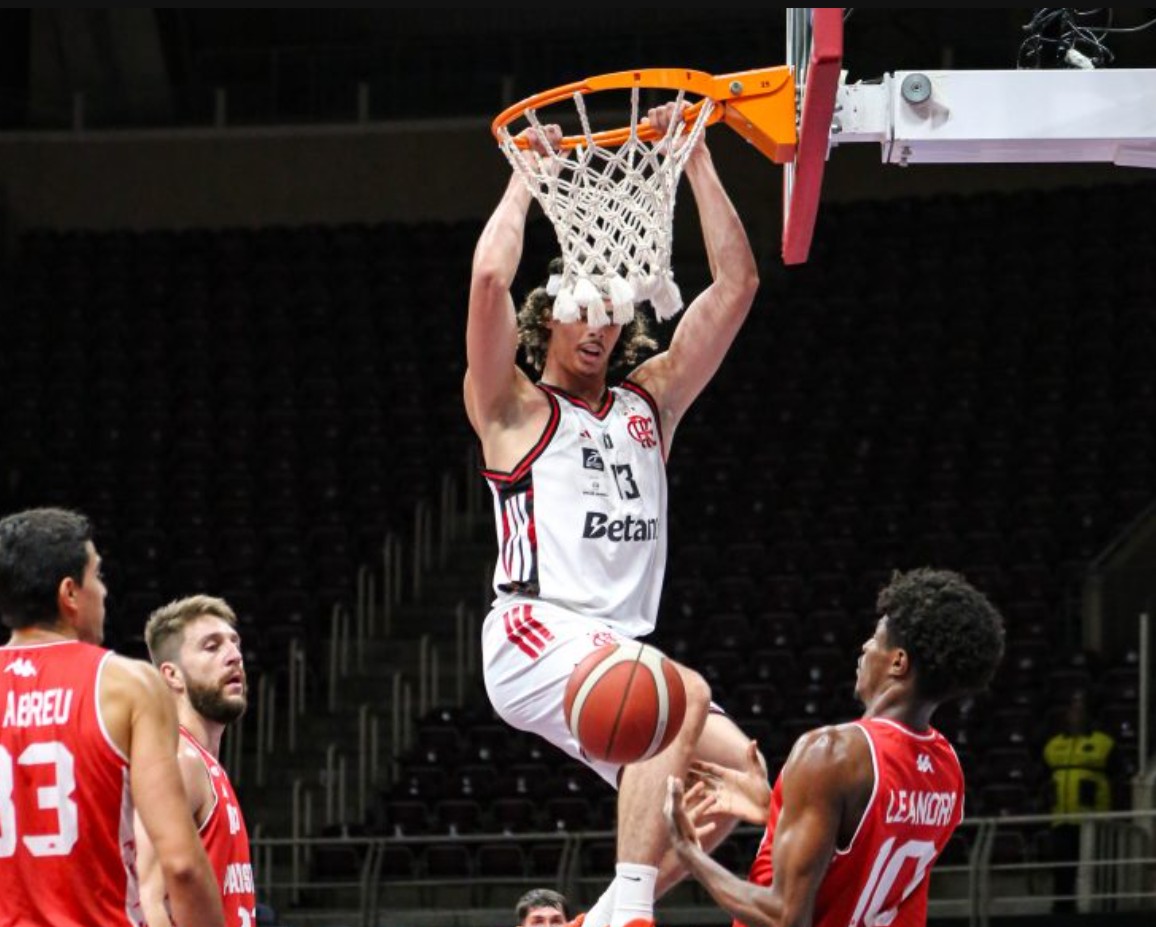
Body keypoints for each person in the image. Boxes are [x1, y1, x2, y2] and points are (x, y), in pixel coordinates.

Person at [465, 102, 760, 927]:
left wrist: (694, 158)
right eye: (580, 309)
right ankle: (632, 912)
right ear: (547, 319)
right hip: (534, 633)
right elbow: (489, 280)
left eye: (611, 309)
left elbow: (737, 285)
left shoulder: (650, 404)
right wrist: (527, 179)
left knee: (744, 782)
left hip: (616, 649)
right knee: (678, 691)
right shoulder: (512, 408)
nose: (598, 325)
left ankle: (595, 918)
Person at [664, 567, 1006, 927]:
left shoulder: (831, 754)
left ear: (898, 662)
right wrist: (776, 810)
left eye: (876, 638)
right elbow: (863, 859)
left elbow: (785, 917)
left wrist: (689, 854)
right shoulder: (947, 769)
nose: (866, 646)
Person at [0, 507, 225, 927]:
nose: (104, 592)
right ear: (69, 593)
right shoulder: (127, 685)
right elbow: (181, 865)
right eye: (97, 576)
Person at [135, 594, 256, 927]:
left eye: (235, 644)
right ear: (172, 676)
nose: (234, 656)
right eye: (212, 647)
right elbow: (148, 902)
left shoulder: (203, 764)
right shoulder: (178, 760)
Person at [1041, 686, 1116, 913]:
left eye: (1080, 709)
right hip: (1061, 818)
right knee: (1063, 867)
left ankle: (1099, 909)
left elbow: (1118, 778)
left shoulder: (1104, 744)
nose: (1075, 714)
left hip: (1091, 820)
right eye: (1072, 709)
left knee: (1092, 868)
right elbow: (1043, 778)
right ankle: (1062, 909)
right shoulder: (1053, 746)